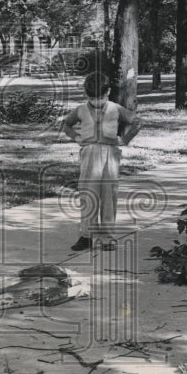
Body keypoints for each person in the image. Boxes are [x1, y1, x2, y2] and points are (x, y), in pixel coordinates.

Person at [61, 72, 142, 251]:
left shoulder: (115, 108)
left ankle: (107, 236)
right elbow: (66, 124)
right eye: (92, 98)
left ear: (108, 92)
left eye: (100, 98)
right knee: (88, 194)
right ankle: (86, 235)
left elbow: (136, 121)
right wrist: (76, 137)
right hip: (89, 154)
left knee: (108, 195)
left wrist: (125, 139)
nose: (97, 102)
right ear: (85, 94)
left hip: (110, 155)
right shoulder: (81, 110)